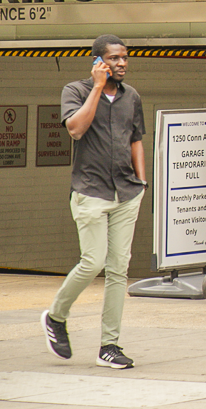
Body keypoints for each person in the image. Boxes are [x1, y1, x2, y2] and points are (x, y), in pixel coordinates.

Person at [43, 35, 148, 369]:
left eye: (125, 58)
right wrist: (97, 88)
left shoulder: (132, 96)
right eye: (114, 58)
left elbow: (136, 139)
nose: (122, 64)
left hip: (127, 193)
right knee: (93, 261)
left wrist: (142, 181)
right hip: (91, 191)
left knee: (119, 269)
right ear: (98, 62)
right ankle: (56, 316)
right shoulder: (75, 91)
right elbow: (75, 129)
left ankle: (110, 345)